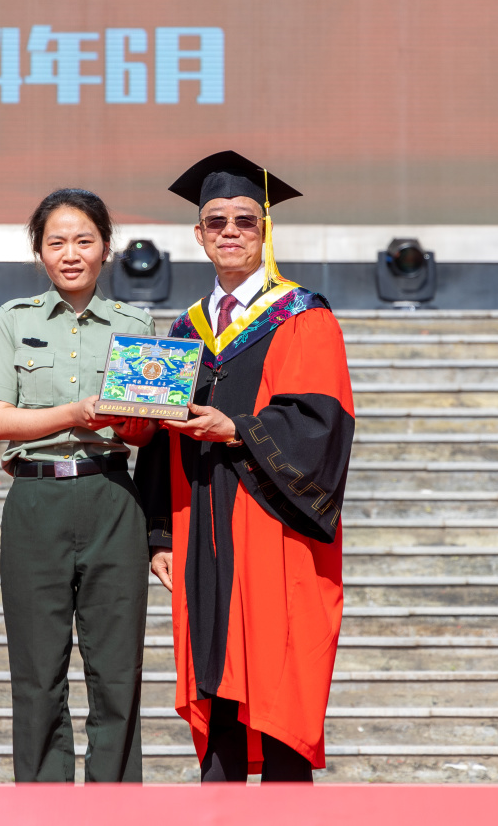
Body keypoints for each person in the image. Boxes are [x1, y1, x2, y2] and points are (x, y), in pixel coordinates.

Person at [135, 151, 355, 782]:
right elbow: (159, 440)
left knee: (279, 683)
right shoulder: (183, 332)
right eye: (216, 221)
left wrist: (238, 429)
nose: (229, 231)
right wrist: (159, 535)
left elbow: (321, 425)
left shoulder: (305, 317)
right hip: (201, 533)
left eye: (244, 220)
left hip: (275, 529)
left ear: (264, 230)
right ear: (198, 234)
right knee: (218, 687)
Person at [0, 188, 156, 783]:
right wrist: (75, 414)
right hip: (37, 500)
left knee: (117, 674)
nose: (71, 254)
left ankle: (114, 810)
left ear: (106, 248)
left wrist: (137, 419)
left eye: (84, 241)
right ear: (40, 251)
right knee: (37, 674)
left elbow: (145, 433)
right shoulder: (14, 319)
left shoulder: (136, 325)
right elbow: (1, 421)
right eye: (56, 242)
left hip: (111, 498)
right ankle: (43, 809)